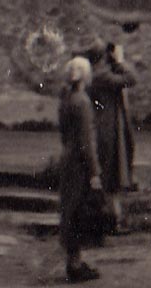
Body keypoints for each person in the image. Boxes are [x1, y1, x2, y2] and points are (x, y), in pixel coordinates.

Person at [84, 38, 137, 230]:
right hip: (107, 130)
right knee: (110, 174)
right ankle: (110, 219)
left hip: (104, 127)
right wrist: (119, 61)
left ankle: (113, 218)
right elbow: (131, 79)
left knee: (108, 175)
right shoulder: (102, 75)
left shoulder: (95, 73)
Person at [58, 56, 103, 283]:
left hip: (67, 158)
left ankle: (73, 260)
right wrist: (95, 172)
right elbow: (87, 141)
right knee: (77, 211)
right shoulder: (83, 101)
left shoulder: (65, 98)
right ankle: (75, 265)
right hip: (79, 163)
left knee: (70, 209)